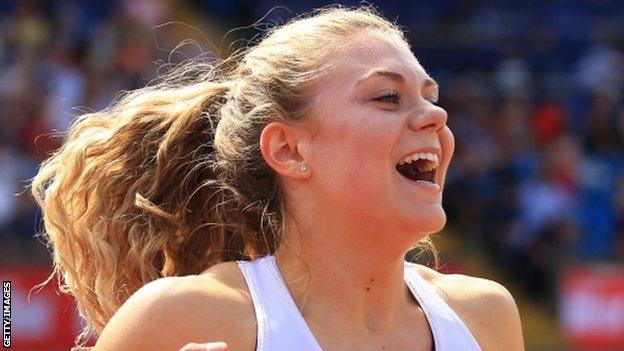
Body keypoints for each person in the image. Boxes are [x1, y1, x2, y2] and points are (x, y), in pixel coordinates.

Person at [31, 6, 524, 351]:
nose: (435, 116)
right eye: (387, 98)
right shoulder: (189, 318)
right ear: (288, 150)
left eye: (430, 96)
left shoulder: (486, 316)